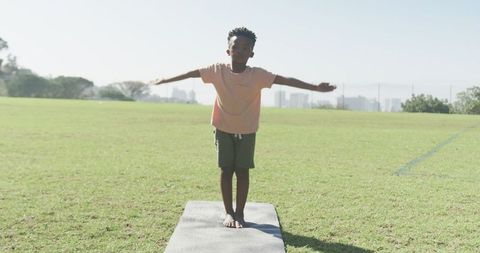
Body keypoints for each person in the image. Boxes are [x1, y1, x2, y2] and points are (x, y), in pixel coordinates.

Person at [151, 27, 336, 229]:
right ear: (228, 50)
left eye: (245, 48)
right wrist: (165, 80)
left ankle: (240, 213)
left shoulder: (257, 75)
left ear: (252, 53)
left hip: (247, 130)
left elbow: (285, 80)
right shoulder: (217, 70)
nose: (240, 50)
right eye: (235, 46)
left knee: (243, 171)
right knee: (226, 170)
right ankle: (228, 213)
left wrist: (315, 87)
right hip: (222, 127)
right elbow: (192, 73)